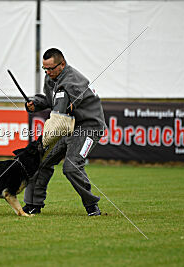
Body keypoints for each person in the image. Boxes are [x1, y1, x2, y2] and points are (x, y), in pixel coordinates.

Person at [23, 48, 107, 216]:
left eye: (51, 68)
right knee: (39, 161)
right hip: (68, 127)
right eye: (44, 68)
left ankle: (92, 206)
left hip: (88, 128)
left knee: (71, 166)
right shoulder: (50, 78)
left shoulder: (74, 80)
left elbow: (70, 101)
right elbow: (49, 100)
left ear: (62, 64)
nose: (47, 72)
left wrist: (65, 107)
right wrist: (35, 103)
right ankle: (33, 205)